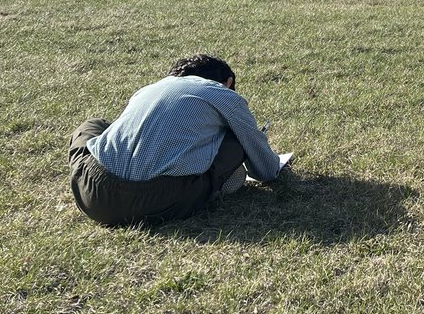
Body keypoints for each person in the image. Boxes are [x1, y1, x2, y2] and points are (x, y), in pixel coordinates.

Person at [68, 54, 292, 226]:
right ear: (228, 82)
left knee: (94, 125)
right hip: (161, 201)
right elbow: (263, 164)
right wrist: (269, 168)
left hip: (93, 195)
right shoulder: (223, 94)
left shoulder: (149, 89)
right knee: (236, 138)